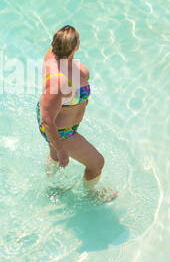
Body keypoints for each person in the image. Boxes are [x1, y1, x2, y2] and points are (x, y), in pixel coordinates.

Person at [36, 25, 117, 202]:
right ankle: (91, 197)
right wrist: (61, 149)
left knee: (54, 157)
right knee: (97, 164)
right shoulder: (59, 82)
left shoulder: (53, 55)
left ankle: (52, 187)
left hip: (58, 120)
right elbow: (47, 121)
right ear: (76, 46)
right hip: (61, 131)